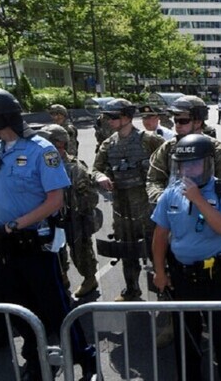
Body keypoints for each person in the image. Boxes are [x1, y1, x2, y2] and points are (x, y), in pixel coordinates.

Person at [0, 87, 96, 381]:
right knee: (19, 308)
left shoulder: (41, 150)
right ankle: (36, 359)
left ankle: (85, 358)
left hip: (33, 243)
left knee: (57, 309)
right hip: (2, 244)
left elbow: (55, 200)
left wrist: (12, 226)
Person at [145, 94, 221, 347]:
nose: (176, 125)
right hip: (175, 219)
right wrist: (166, 200)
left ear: (198, 121)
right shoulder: (168, 148)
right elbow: (153, 178)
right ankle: (173, 323)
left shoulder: (215, 151)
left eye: (183, 120)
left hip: (210, 222)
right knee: (169, 273)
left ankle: (218, 326)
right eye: (174, 120)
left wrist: (201, 202)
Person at [93, 99, 165, 302]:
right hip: (122, 208)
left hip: (148, 207)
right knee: (127, 250)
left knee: (156, 250)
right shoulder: (109, 144)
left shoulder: (149, 140)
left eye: (113, 117)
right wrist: (100, 176)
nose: (109, 121)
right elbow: (95, 169)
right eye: (108, 117)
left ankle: (162, 290)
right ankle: (132, 290)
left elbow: (169, 164)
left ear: (126, 117)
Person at [37, 124, 100, 299]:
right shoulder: (43, 164)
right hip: (51, 217)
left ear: (60, 144)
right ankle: (62, 277)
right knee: (56, 251)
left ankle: (89, 279)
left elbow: (91, 198)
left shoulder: (75, 168)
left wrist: (78, 210)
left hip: (74, 218)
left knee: (81, 252)